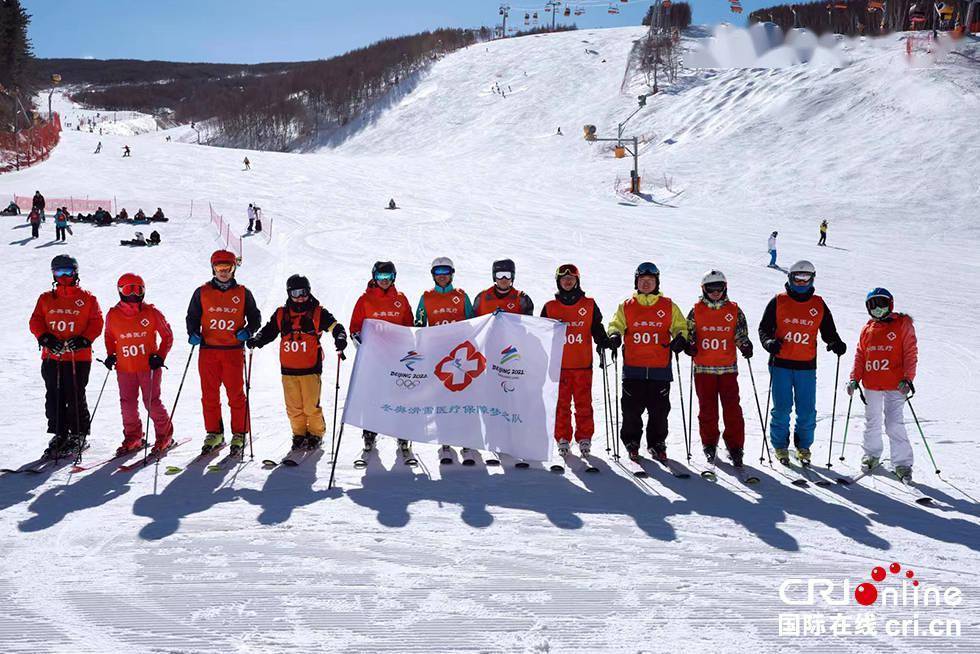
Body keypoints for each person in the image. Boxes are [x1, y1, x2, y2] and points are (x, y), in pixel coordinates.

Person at [758, 260, 846, 465]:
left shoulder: (818, 304)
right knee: (782, 408)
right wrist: (768, 342)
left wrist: (835, 342)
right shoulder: (778, 301)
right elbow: (764, 329)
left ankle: (803, 447)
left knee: (806, 410)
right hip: (780, 363)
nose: (801, 282)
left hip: (806, 365)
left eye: (805, 278)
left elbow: (828, 331)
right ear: (790, 278)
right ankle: (780, 446)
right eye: (797, 277)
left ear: (812, 279)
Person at [248, 275, 347, 451]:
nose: (300, 297)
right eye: (295, 293)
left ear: (309, 292)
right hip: (288, 370)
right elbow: (269, 330)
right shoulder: (281, 314)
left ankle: (316, 434)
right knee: (293, 407)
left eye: (303, 292)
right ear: (289, 293)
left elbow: (336, 327)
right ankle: (299, 434)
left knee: (311, 407)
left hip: (310, 369)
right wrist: (258, 340)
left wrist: (340, 338)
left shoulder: (318, 312)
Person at [605, 262, 690, 462]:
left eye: (650, 281)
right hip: (633, 367)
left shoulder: (668, 305)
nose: (646, 284)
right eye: (642, 281)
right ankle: (631, 442)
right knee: (631, 409)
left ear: (656, 282)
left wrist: (680, 337)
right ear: (637, 282)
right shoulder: (627, 305)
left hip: (659, 368)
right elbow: (616, 323)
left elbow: (680, 326)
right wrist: (615, 335)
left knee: (659, 411)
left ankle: (657, 443)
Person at [185, 250, 261, 455]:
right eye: (219, 269)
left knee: (236, 395)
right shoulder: (202, 292)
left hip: (232, 351)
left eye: (227, 268)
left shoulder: (243, 293)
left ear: (233, 269)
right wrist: (192, 332)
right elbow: (192, 316)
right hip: (209, 351)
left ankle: (239, 433)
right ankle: (214, 433)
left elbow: (255, 316)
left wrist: (249, 330)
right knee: (209, 395)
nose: (224, 273)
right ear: (213, 269)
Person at [29, 255, 104, 459]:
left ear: (75, 273)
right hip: (52, 358)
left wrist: (84, 340)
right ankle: (59, 432)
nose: (63, 277)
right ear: (53, 274)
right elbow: (35, 321)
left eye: (67, 272)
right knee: (54, 395)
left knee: (75, 394)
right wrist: (45, 338)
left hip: (77, 359)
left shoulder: (88, 298)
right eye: (58, 272)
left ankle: (78, 434)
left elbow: (97, 322)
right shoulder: (46, 298)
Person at [685, 270, 753, 467]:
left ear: (725, 288)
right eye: (711, 288)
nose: (715, 292)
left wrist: (745, 345)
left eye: (719, 287)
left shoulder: (733, 310)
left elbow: (740, 333)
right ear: (704, 289)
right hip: (704, 369)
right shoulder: (696, 310)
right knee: (708, 409)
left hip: (727, 369)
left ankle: (735, 445)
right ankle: (709, 443)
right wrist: (689, 345)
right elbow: (690, 333)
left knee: (732, 409)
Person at [848, 288, 917, 481]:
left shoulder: (902, 323)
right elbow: (860, 355)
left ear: (890, 304)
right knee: (872, 422)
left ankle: (902, 463)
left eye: (881, 303)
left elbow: (910, 352)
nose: (877, 308)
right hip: (872, 383)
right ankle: (871, 454)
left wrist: (908, 378)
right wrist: (854, 378)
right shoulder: (867, 328)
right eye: (872, 305)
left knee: (893, 423)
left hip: (896, 384)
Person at [103, 273, 175, 456]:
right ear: (120, 291)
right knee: (127, 404)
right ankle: (133, 437)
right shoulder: (113, 314)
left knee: (151, 402)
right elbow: (110, 337)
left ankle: (164, 436)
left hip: (148, 367)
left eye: (137, 289)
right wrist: (111, 355)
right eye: (128, 289)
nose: (133, 294)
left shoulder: (151, 313)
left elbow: (167, 335)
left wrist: (160, 356)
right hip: (125, 368)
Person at [541, 264, 609, 457]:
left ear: (577, 281)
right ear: (559, 282)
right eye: (564, 279)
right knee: (561, 404)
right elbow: (542, 333)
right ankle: (562, 437)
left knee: (583, 403)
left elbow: (596, 327)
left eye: (571, 279)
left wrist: (604, 341)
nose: (568, 281)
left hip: (582, 365)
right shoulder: (550, 307)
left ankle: (584, 437)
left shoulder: (588, 304)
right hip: (559, 366)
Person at [349, 261, 414, 454]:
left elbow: (409, 325)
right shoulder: (365, 300)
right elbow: (355, 326)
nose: (384, 281)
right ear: (374, 277)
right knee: (373, 395)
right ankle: (370, 432)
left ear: (394, 277)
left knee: (399, 394)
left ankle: (402, 433)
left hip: (397, 357)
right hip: (374, 358)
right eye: (380, 277)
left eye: (388, 277)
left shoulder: (401, 299)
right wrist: (357, 339)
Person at [416, 256, 475, 463]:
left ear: (452, 274)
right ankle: (445, 443)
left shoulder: (461, 296)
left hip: (460, 357)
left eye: (446, 272)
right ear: (433, 275)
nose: (442, 276)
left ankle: (467, 442)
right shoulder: (426, 297)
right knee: (442, 400)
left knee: (462, 399)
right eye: (438, 272)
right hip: (438, 357)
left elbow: (474, 322)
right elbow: (419, 326)